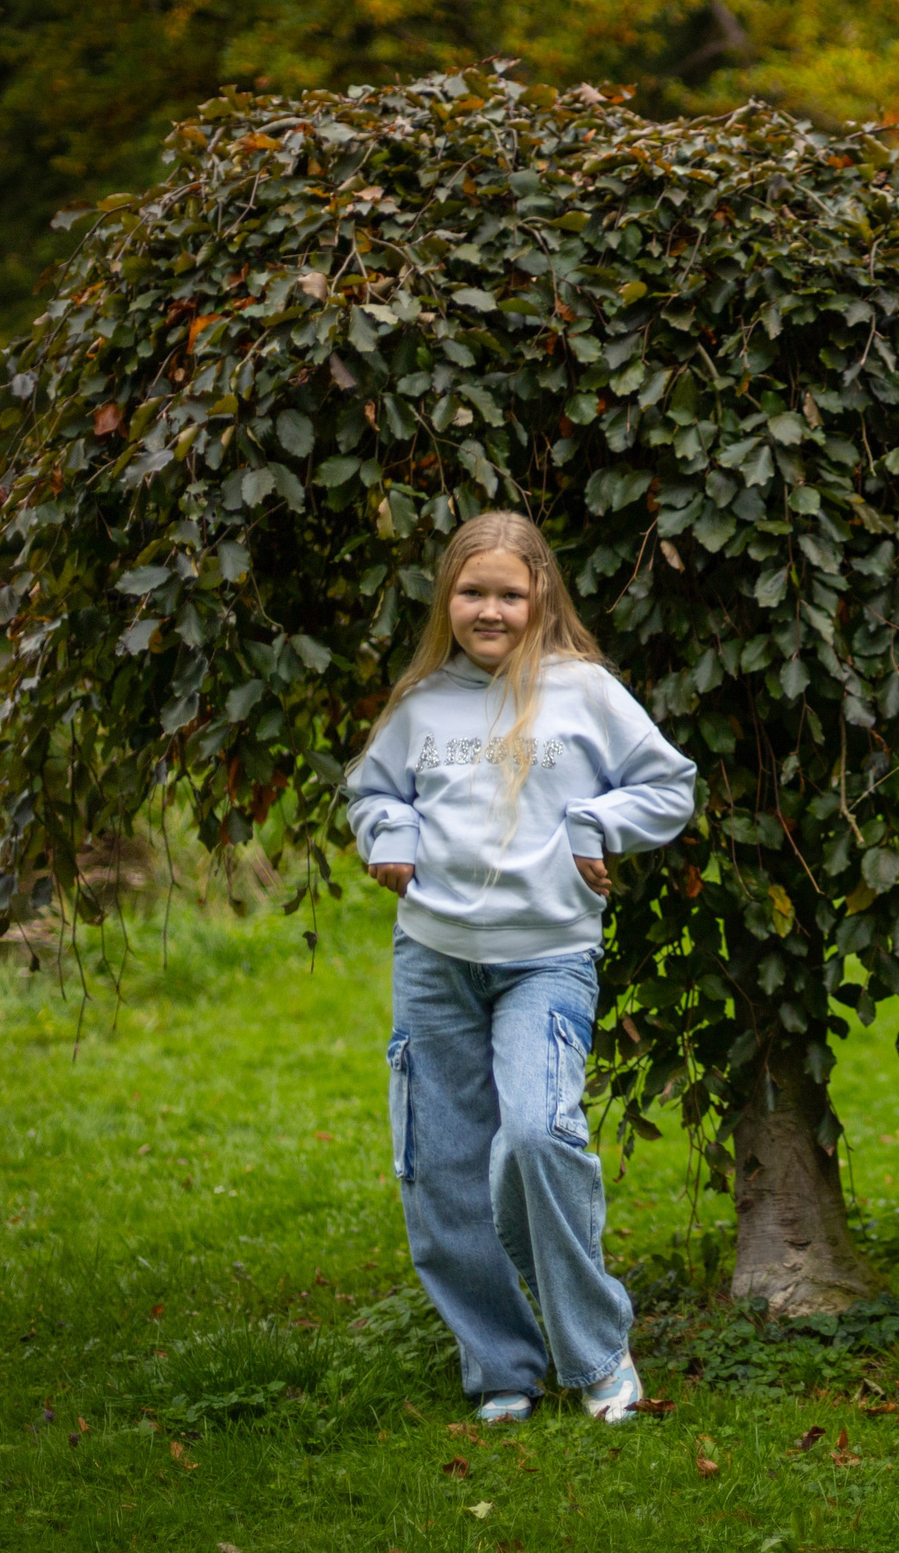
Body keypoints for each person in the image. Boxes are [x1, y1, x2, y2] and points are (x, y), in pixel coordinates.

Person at [345, 510, 696, 1425]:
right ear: (447, 599)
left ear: (541, 594)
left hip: (547, 960)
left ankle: (595, 1353)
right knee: (440, 1168)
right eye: (472, 592)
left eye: (508, 591)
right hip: (435, 959)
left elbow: (669, 784)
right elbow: (374, 791)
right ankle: (502, 1364)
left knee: (538, 1137)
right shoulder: (421, 702)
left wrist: (595, 824)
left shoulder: (585, 693)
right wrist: (392, 832)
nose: (490, 609)